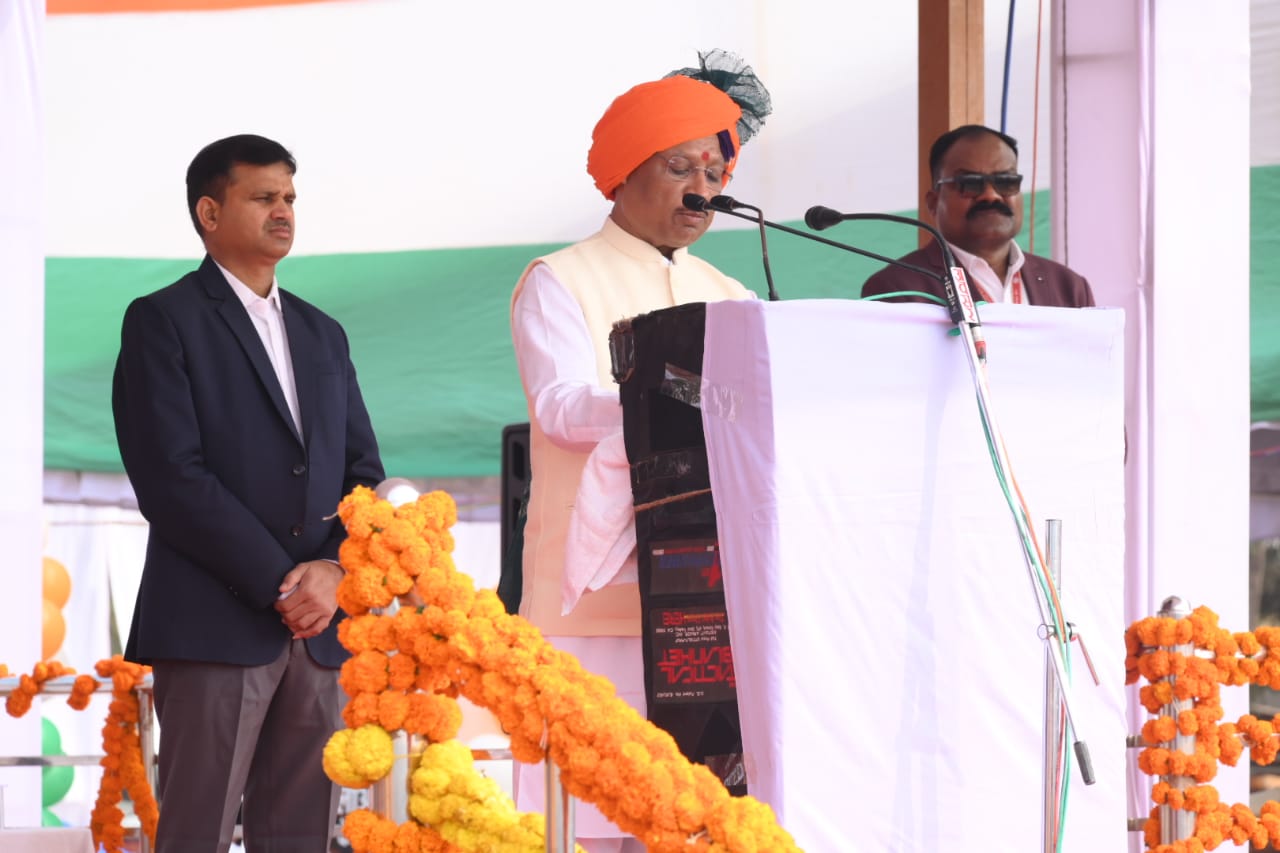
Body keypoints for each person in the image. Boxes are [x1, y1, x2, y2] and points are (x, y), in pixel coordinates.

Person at [508, 52, 769, 853]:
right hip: (589, 609)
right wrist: (675, 403)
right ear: (624, 174)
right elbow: (558, 409)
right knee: (582, 824)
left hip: (711, 610)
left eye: (715, 170)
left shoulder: (733, 297)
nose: (703, 187)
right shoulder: (561, 279)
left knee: (695, 827)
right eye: (679, 166)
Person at [112, 134, 384, 852]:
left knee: (300, 835)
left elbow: (363, 471)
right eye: (263, 197)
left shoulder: (325, 334)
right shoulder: (162, 319)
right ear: (209, 210)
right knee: (196, 832)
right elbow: (172, 479)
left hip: (319, 630)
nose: (283, 211)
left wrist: (331, 572)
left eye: (289, 197)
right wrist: (281, 582)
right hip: (213, 625)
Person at [861, 124, 1095, 307]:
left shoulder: (1070, 288)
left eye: (1005, 182)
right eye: (970, 184)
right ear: (933, 203)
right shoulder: (897, 289)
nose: (990, 195)